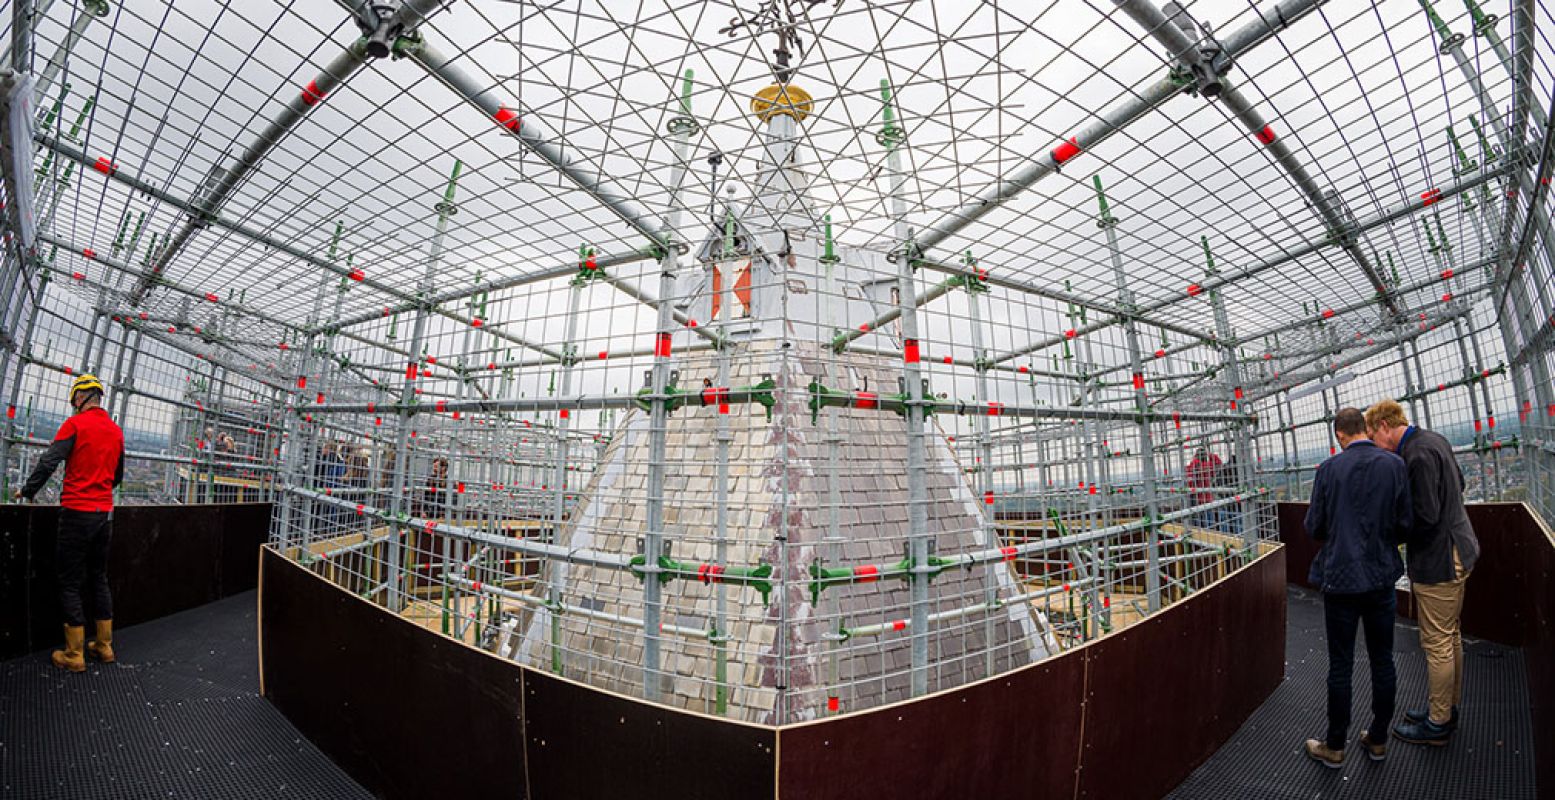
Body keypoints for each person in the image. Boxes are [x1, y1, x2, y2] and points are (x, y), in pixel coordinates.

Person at [1301, 407, 1412, 768]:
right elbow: (1405, 523)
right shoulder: (1395, 466)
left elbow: (1314, 526)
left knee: (1341, 665)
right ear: (1365, 428)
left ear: (1339, 435)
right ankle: (1378, 738)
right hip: (1381, 579)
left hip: (1341, 581)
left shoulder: (1328, 470)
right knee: (1383, 660)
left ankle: (1335, 746)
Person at [1365, 399, 1480, 746]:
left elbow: (1425, 517)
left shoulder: (1413, 456)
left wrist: (1390, 532)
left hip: (1440, 560)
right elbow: (1457, 485)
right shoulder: (1435, 440)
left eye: (1373, 435)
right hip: (1461, 547)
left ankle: (1438, 722)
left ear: (1385, 425)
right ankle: (1445, 706)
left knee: (1437, 643)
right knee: (1451, 635)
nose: (1373, 443)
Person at [16, 374, 126, 673]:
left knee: (69, 581)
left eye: (74, 400)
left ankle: (74, 653)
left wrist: (27, 491)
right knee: (99, 577)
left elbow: (50, 461)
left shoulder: (75, 425)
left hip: (77, 512)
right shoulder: (116, 431)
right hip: (104, 515)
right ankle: (104, 646)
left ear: (80, 398)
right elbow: (117, 476)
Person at [1185, 446, 1222, 531]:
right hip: (1208, 498)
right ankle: (1212, 534)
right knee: (1210, 521)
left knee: (1198, 522)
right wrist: (1210, 454)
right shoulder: (1207, 466)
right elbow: (1218, 463)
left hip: (1196, 498)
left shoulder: (1193, 465)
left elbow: (1189, 482)